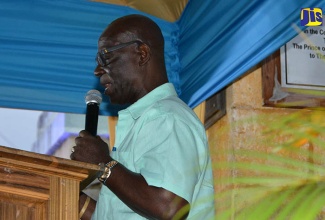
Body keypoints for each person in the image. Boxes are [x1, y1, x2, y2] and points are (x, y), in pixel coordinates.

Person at [70, 14, 215, 220]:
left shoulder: (167, 117)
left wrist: (103, 164)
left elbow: (168, 207)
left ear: (142, 53)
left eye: (105, 57)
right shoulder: (145, 122)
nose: (97, 70)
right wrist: (60, 190)